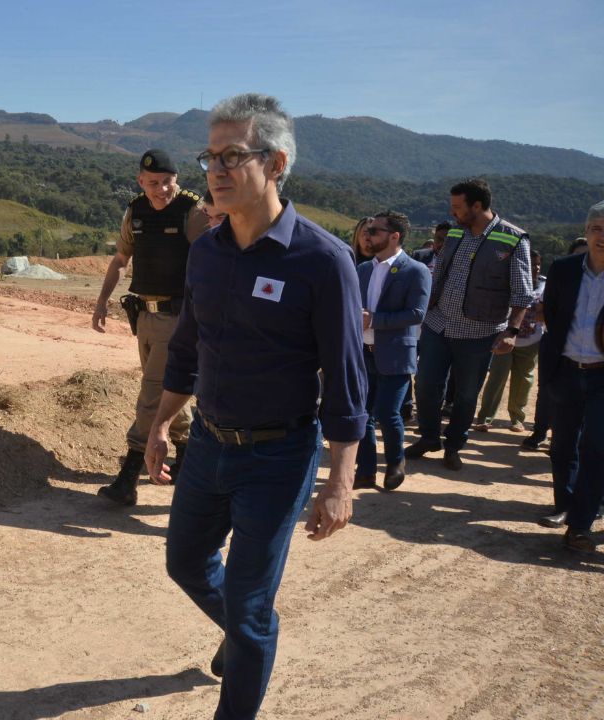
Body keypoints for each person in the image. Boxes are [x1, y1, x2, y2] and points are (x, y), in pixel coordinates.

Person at [145, 93, 366, 720]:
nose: (215, 169)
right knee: (186, 562)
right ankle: (250, 635)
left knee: (246, 606)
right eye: (210, 156)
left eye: (232, 155)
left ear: (276, 163)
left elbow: (347, 381)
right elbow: (186, 348)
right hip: (210, 441)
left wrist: (340, 479)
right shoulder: (208, 252)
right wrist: (161, 423)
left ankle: (244, 650)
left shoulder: (323, 261)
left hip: (278, 454)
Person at [92, 149, 209, 506]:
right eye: (152, 183)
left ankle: (128, 476)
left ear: (178, 179)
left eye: (166, 182)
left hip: (179, 319)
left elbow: (212, 262)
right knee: (167, 390)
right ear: (140, 182)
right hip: (143, 316)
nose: (160, 190)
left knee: (152, 394)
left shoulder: (194, 211)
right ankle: (189, 461)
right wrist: (101, 301)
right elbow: (120, 260)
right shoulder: (136, 210)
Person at [406, 178, 533, 470]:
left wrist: (511, 331)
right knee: (425, 384)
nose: (453, 213)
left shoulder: (513, 238)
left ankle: (453, 445)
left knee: (465, 394)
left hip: (479, 333)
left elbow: (522, 293)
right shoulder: (455, 233)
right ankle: (428, 437)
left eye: (458, 207)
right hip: (438, 325)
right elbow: (439, 275)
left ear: (477, 206)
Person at [537, 201, 604, 551]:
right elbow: (552, 318)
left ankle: (580, 524)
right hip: (565, 370)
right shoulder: (563, 270)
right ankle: (564, 506)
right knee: (562, 446)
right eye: (597, 229)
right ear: (587, 231)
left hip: (601, 378)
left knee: (595, 446)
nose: (602, 237)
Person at [354, 211, 431, 491]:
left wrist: (374, 319)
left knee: (388, 413)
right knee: (361, 414)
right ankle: (365, 470)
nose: (367, 234)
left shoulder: (416, 271)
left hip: (395, 354)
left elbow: (417, 313)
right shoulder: (362, 270)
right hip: (363, 352)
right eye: (367, 230)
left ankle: (396, 462)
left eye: (374, 231)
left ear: (394, 236)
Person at [524, 238, 591, 450]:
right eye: (579, 254)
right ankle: (541, 431)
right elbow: (542, 313)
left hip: (590, 356)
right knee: (548, 392)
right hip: (556, 346)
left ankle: (568, 441)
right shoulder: (560, 277)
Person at [472, 249, 544, 433]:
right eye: (531, 263)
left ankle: (517, 419)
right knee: (496, 377)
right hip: (504, 339)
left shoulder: (546, 286)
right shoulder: (511, 281)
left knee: (524, 380)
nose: (535, 267)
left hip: (531, 342)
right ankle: (485, 417)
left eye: (538, 264)